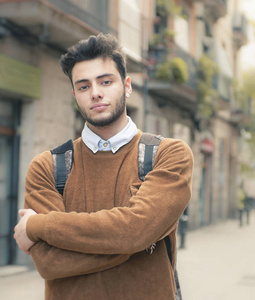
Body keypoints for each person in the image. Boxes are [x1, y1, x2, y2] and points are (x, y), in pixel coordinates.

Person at [13, 33, 194, 299]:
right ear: (75, 95)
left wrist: (37, 227)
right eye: (84, 86)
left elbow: (135, 231)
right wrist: (133, 239)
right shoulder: (47, 167)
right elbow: (49, 261)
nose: (96, 93)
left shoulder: (168, 155)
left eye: (106, 81)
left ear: (127, 86)